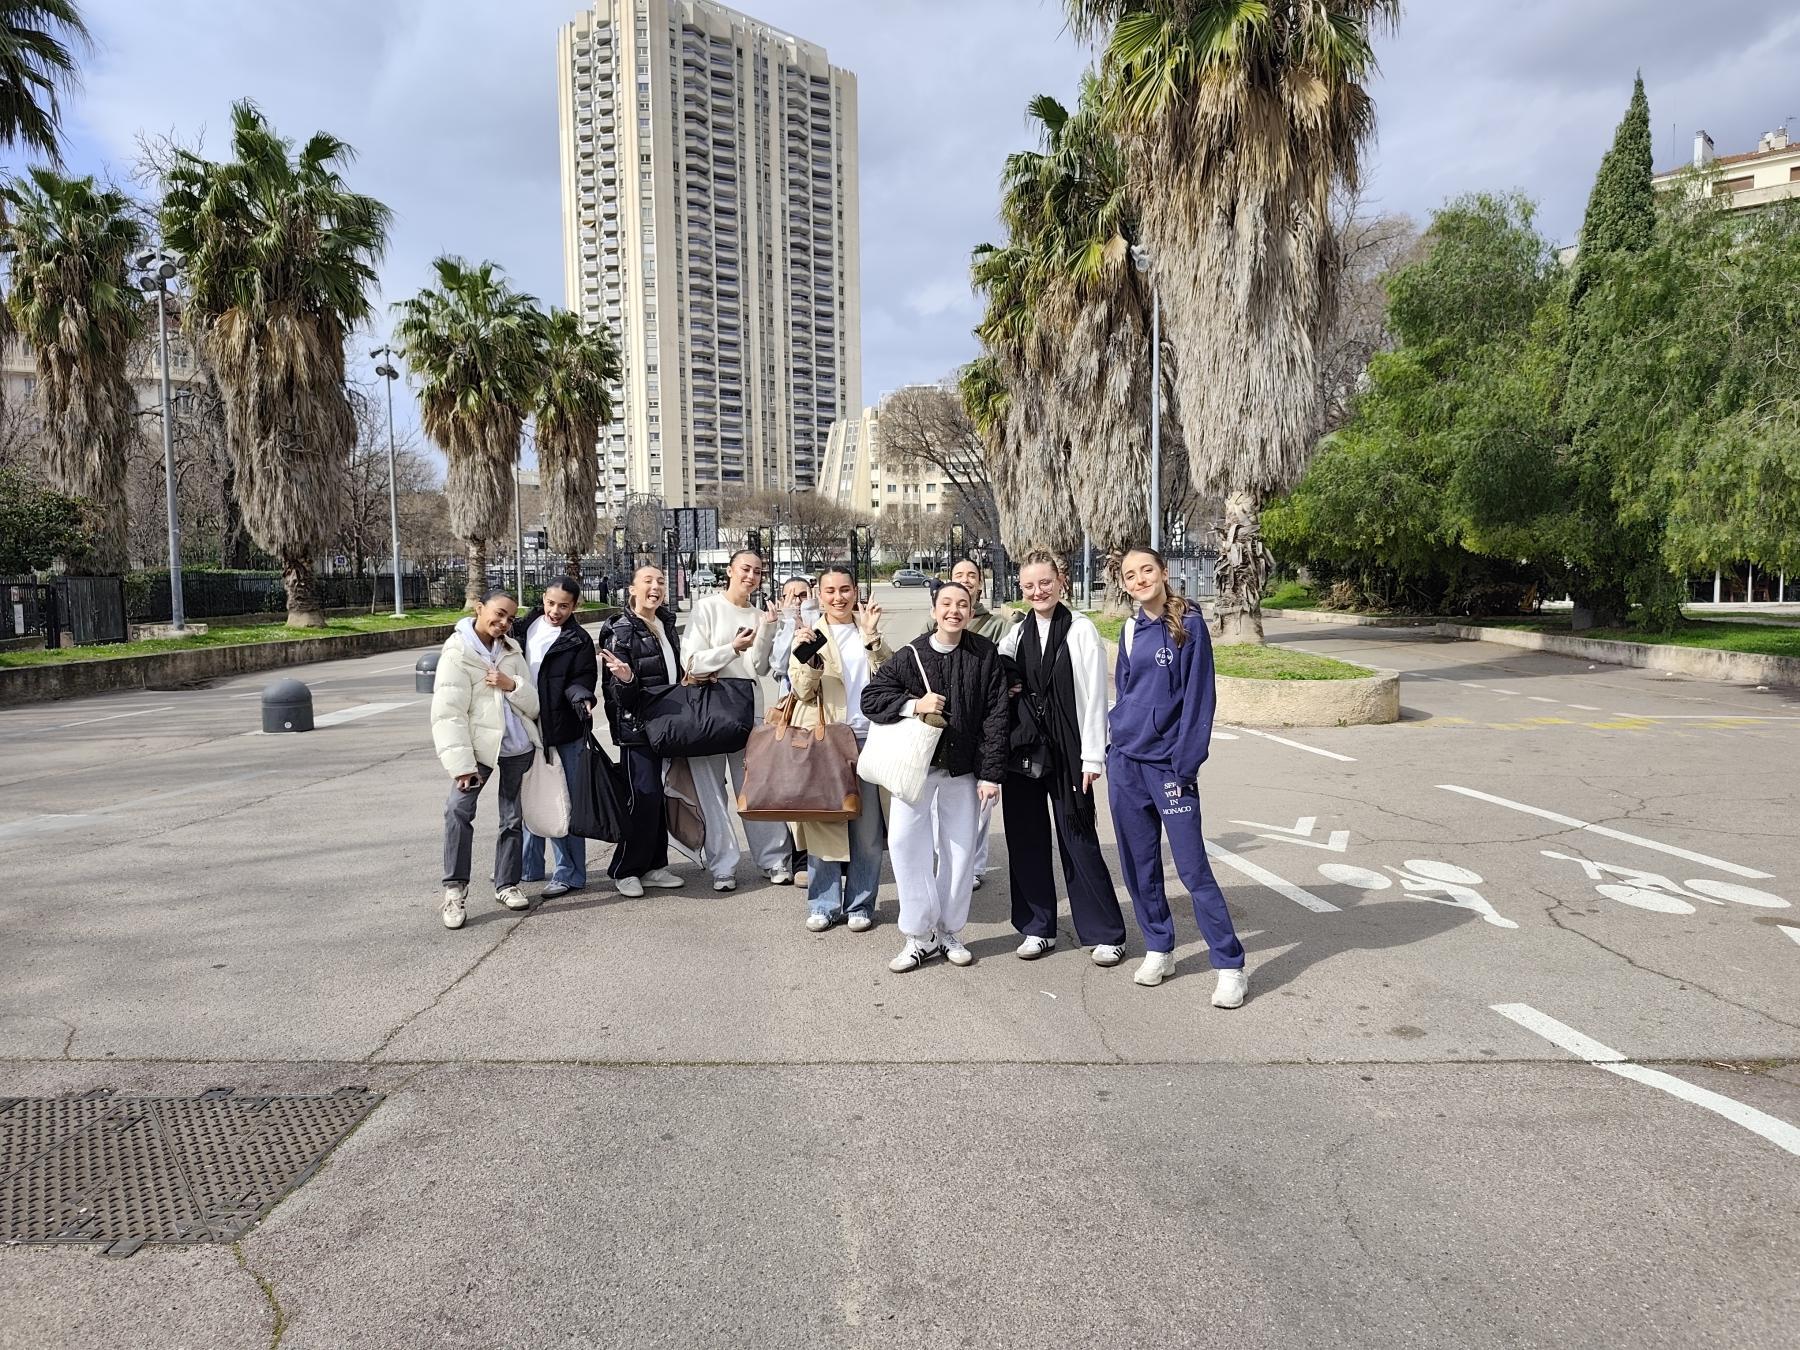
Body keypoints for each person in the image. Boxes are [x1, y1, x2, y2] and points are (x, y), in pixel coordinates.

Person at [1109, 546, 1249, 1008]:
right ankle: (1159, 946)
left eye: (1146, 570)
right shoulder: (1130, 628)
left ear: (1163, 573)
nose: (1139, 579)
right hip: (1126, 763)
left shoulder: (1188, 624)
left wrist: (1185, 765)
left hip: (1169, 767)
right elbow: (1126, 692)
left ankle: (1229, 965)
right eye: (1131, 574)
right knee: (1139, 866)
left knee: (1192, 868)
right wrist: (1115, 742)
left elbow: (1199, 698)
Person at [862, 582, 1009, 972]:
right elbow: (871, 698)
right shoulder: (913, 653)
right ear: (934, 608)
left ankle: (949, 931)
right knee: (907, 847)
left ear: (971, 608)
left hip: (964, 771)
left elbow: (997, 716)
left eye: (962, 604)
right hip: (917, 770)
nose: (954, 611)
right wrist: (913, 704)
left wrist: (990, 774)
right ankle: (917, 935)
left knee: (959, 854)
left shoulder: (984, 654)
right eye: (946, 603)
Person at [998, 551, 1129, 965]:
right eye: (1029, 585)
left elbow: (1094, 697)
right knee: (1025, 839)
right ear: (1021, 589)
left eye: (1045, 582)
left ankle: (1106, 932)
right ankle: (1038, 927)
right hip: (1023, 750)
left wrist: (1093, 757)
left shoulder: (1080, 630)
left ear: (1060, 581)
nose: (1038, 591)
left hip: (1069, 749)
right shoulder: (1015, 634)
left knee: (1078, 837)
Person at [680, 548, 791, 891]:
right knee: (711, 792)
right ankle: (723, 866)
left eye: (757, 571)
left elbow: (758, 668)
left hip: (747, 709)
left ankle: (774, 860)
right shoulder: (707, 608)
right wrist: (731, 648)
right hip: (709, 710)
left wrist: (767, 630)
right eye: (745, 569)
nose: (751, 576)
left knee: (755, 787)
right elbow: (693, 663)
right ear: (729, 570)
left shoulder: (760, 614)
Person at [430, 588, 542, 930]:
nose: (504, 622)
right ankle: (454, 889)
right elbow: (448, 714)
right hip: (477, 751)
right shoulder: (458, 652)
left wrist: (512, 685)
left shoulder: (511, 650)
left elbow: (533, 705)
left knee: (512, 818)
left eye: (510, 618)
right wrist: (461, 764)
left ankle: (507, 884)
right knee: (458, 811)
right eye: (499, 613)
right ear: (479, 608)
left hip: (516, 746)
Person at [789, 568, 889, 933]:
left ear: (856, 590)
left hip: (868, 739)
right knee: (824, 823)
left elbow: (890, 678)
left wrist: (872, 637)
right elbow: (801, 690)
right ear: (819, 593)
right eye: (829, 591)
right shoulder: (811, 634)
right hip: (827, 741)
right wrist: (810, 659)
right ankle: (823, 903)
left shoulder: (868, 629)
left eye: (845, 589)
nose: (838, 597)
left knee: (867, 829)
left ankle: (861, 903)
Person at [919, 558, 1019, 889]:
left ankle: (972, 867)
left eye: (972, 577)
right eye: (959, 576)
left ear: (979, 587)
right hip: (941, 730)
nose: (966, 580)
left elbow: (1007, 666)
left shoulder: (995, 627)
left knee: (979, 807)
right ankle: (944, 861)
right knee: (938, 807)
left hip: (978, 730)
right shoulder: (932, 625)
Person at [598, 563, 687, 898]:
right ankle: (626, 869)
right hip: (637, 729)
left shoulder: (665, 623)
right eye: (647, 581)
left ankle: (654, 866)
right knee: (642, 797)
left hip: (666, 725)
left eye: (660, 582)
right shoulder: (619, 629)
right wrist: (626, 679)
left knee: (658, 798)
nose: (655, 587)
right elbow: (615, 692)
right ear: (632, 589)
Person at [516, 577, 599, 900]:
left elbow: (582, 679)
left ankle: (571, 873)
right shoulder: (524, 627)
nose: (555, 611)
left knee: (563, 802)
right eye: (551, 603)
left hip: (562, 729)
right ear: (544, 598)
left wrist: (583, 698)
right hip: (524, 726)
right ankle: (528, 866)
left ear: (574, 606)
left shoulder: (577, 640)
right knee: (525, 796)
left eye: (564, 606)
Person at [769, 575, 819, 884]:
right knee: (792, 784)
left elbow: (818, 655)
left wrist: (808, 618)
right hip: (789, 711)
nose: (796, 600)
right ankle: (797, 857)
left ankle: (820, 856)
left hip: (816, 712)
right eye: (789, 595)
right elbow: (778, 663)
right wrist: (789, 623)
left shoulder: (822, 620)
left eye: (802, 594)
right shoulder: (781, 625)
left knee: (818, 782)